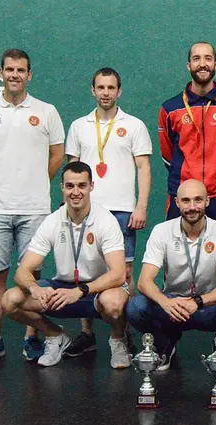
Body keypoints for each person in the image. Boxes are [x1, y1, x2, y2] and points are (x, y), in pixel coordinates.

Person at [0, 48, 65, 364]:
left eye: (21, 70)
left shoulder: (47, 111)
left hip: (34, 208)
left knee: (31, 276)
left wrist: (36, 183)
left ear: (29, 75)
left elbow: (57, 156)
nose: (15, 75)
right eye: (9, 69)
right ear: (1, 72)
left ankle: (32, 337)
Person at [0, 161, 131, 369]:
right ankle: (55, 335)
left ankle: (118, 339)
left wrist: (81, 291)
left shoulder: (106, 221)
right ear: (62, 187)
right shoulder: (52, 221)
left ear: (91, 186)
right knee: (10, 300)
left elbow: (118, 274)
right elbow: (22, 271)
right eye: (70, 186)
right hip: (62, 290)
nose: (75, 192)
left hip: (97, 292)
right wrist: (34, 288)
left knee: (114, 304)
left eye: (81, 186)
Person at [64, 67, 152, 357]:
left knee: (125, 273)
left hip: (124, 212)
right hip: (85, 211)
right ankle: (87, 334)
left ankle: (121, 334)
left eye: (111, 88)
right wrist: (68, 205)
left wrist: (141, 206)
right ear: (93, 90)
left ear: (119, 91)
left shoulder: (135, 125)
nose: (105, 93)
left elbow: (143, 168)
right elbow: (72, 168)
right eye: (100, 87)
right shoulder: (79, 126)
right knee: (84, 271)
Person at [126, 179, 216, 370]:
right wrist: (165, 303)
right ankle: (164, 344)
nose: (192, 207)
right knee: (135, 307)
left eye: (198, 200)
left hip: (208, 306)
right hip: (172, 305)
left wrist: (197, 302)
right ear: (177, 203)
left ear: (207, 201)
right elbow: (144, 281)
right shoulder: (161, 231)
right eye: (186, 201)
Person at [158, 41, 216, 241]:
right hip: (182, 198)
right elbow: (167, 155)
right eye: (196, 59)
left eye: (208, 58)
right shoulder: (170, 109)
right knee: (176, 263)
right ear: (188, 65)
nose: (202, 64)